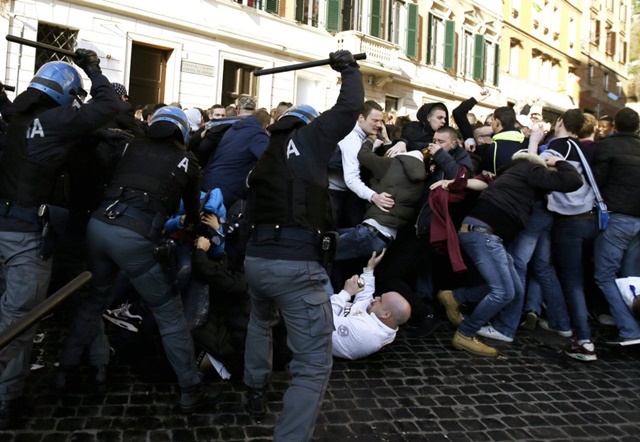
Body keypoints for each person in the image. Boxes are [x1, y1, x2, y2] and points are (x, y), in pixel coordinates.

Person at [54, 106, 218, 413]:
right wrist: (191, 225)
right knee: (169, 314)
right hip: (135, 235)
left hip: (99, 225)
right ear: (182, 132)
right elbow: (193, 210)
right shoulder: (187, 161)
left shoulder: (130, 144)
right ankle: (189, 388)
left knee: (95, 301)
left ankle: (66, 368)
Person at [242, 50, 363, 441]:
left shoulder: (266, 154)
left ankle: (254, 391)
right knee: (312, 365)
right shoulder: (309, 138)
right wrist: (348, 68)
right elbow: (349, 108)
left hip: (256, 260)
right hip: (295, 266)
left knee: (260, 322)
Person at [0, 51, 123, 430]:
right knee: (19, 321)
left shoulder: (15, 118)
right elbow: (109, 104)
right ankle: (6, 400)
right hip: (26, 235)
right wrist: (93, 69)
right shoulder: (59, 121)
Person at [436, 149, 582, 357]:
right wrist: (558, 162)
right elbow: (571, 181)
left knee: (515, 288)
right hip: (484, 235)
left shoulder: (512, 173)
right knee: (504, 292)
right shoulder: (531, 168)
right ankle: (465, 334)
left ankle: (456, 296)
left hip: (484, 233)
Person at [593, 107, 640, 345]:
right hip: (637, 219)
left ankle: (629, 329)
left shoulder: (607, 147)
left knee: (605, 274)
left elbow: (596, 182)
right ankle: (631, 321)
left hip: (618, 217)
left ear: (615, 126)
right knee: (631, 277)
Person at [331, 250, 411, 360]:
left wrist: (346, 293)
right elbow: (365, 297)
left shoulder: (365, 332)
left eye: (380, 300)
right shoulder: (381, 319)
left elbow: (322, 317)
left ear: (386, 314)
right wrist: (369, 270)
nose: (376, 298)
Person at [201, 96, 270, 209]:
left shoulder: (233, 129)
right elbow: (269, 162)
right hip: (228, 188)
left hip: (209, 182)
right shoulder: (257, 135)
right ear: (266, 125)